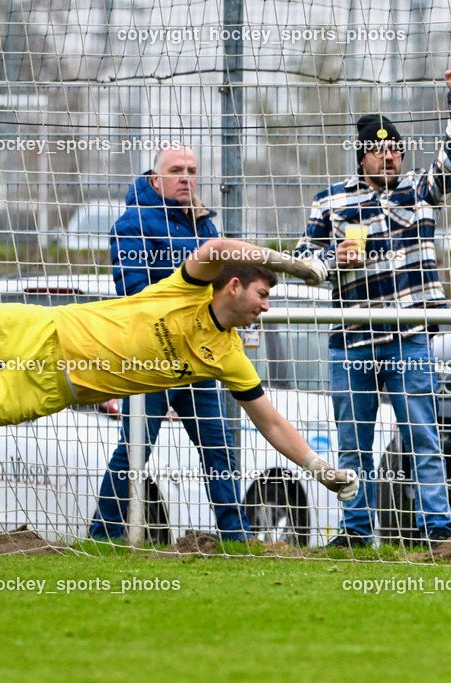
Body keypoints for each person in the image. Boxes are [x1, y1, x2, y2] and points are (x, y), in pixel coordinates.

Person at [0, 239, 359, 506]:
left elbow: (270, 421)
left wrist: (318, 469)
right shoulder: (185, 290)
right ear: (233, 287)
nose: (266, 307)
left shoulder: (230, 356)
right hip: (43, 330)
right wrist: (290, 264)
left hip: (51, 387)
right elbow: (213, 248)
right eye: (263, 295)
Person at [293, 62, 451, 548]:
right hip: (351, 343)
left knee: (423, 438)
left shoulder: (420, 191)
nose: (389, 157)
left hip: (408, 337)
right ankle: (355, 532)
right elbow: (300, 258)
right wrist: (334, 258)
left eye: (395, 149)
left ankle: (436, 531)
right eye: (378, 151)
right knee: (352, 443)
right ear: (361, 158)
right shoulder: (328, 204)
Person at [89, 145, 253, 542]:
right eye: (177, 169)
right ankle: (103, 534)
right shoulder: (132, 224)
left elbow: (219, 292)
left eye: (192, 170)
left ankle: (235, 536)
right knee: (135, 450)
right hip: (153, 360)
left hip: (198, 359)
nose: (186, 177)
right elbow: (135, 295)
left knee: (219, 448)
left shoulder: (204, 226)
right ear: (155, 177)